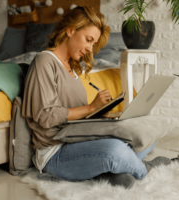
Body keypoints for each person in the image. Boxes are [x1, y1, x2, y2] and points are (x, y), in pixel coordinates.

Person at [22, 6, 171, 189]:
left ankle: (111, 171)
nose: (89, 49)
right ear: (70, 30)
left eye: (93, 44)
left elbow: (78, 118)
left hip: (78, 140)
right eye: (88, 40)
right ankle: (145, 169)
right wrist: (90, 108)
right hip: (55, 152)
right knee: (115, 150)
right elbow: (46, 116)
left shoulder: (73, 69)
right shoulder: (44, 62)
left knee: (146, 134)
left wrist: (100, 113)